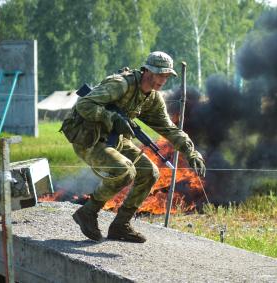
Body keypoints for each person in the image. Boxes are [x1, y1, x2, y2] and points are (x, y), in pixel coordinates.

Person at [61, 51, 206, 243]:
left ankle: (120, 225)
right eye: (161, 74)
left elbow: (169, 129)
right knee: (125, 171)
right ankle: (87, 212)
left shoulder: (152, 98)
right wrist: (110, 117)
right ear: (148, 71)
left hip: (115, 139)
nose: (163, 80)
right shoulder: (121, 84)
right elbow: (84, 106)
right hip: (89, 138)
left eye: (166, 76)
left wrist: (191, 151)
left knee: (149, 172)